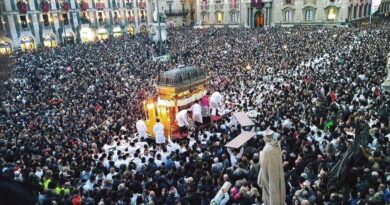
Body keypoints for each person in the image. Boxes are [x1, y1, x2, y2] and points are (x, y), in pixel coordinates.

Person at [257, 128, 286, 205]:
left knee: (270, 190)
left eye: (264, 136)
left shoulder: (267, 149)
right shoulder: (277, 144)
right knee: (277, 188)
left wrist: (261, 154)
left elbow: (262, 163)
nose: (263, 138)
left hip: (269, 172)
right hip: (276, 170)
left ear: (267, 137)